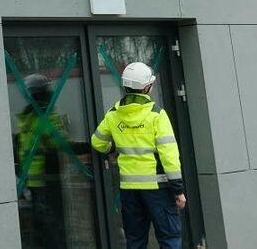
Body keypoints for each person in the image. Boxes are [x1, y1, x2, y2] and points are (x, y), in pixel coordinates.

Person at [91, 62, 185, 249]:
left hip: (129, 189)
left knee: (135, 241)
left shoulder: (113, 114)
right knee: (170, 239)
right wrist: (178, 190)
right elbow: (169, 156)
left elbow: (97, 142)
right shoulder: (157, 115)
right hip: (158, 188)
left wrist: (111, 149)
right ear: (147, 87)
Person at [14, 73, 69, 247]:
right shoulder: (44, 118)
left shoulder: (27, 119)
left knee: (41, 227)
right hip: (46, 182)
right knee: (52, 227)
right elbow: (60, 143)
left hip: (33, 181)